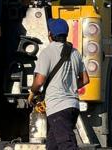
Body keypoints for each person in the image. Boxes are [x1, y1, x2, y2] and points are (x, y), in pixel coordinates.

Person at [28, 18, 90, 150]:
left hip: (58, 108)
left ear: (50, 34)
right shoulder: (75, 53)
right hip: (73, 106)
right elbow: (85, 80)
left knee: (67, 145)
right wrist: (69, 87)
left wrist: (32, 93)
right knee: (52, 146)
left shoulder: (47, 53)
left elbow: (39, 81)